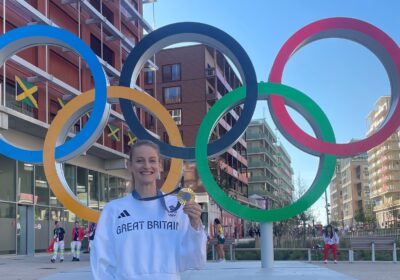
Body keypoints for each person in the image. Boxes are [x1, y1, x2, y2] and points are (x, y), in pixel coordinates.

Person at [91, 140, 207, 280]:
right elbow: (101, 259)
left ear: (159, 165)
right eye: (140, 161)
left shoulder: (176, 206)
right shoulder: (113, 210)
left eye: (152, 161)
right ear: (130, 165)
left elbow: (193, 259)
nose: (146, 166)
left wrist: (195, 224)